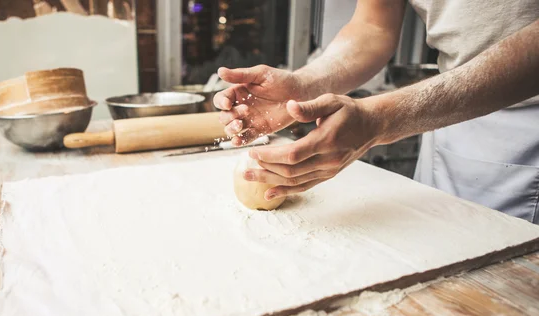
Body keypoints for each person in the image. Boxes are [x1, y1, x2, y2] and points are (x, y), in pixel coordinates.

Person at [213, 1, 539, 223]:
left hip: (529, 123)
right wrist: (304, 84)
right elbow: (373, 26)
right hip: (447, 116)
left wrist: (380, 119)